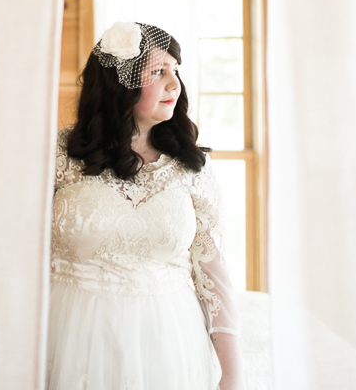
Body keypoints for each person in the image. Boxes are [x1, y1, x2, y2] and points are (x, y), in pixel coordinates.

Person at [48, 21, 243, 390]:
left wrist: (232, 376)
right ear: (119, 83)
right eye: (158, 71)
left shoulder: (192, 166)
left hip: (168, 340)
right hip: (72, 334)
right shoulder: (59, 154)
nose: (175, 84)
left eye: (175, 71)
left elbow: (213, 276)